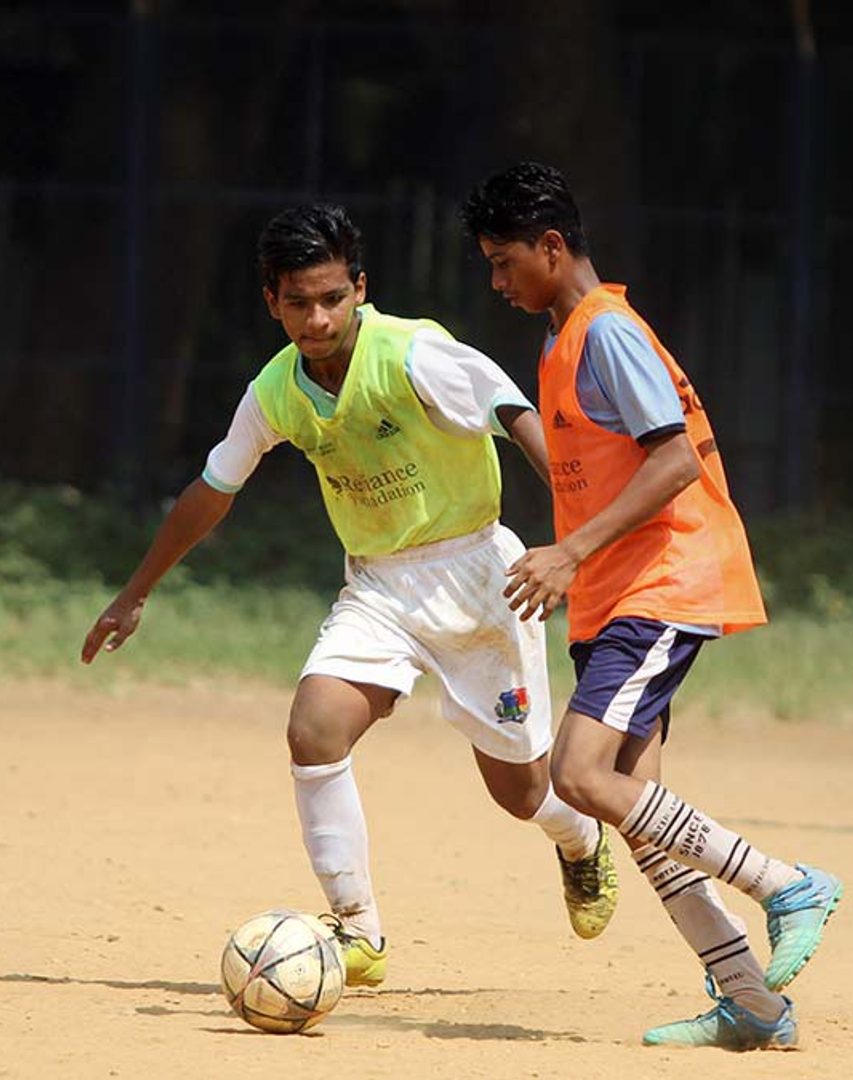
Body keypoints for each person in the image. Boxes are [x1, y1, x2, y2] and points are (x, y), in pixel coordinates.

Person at [80, 203, 617, 987]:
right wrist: (135, 593)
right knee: (314, 728)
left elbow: (516, 414)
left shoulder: (414, 353)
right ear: (272, 302)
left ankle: (578, 841)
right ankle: (359, 931)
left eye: (333, 297)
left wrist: (575, 546)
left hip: (477, 578)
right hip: (377, 584)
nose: (318, 317)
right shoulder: (275, 391)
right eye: (298, 302)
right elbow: (214, 488)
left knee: (521, 791)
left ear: (359, 289)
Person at [462, 162, 843, 1051]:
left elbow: (676, 461)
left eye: (504, 260)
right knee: (639, 808)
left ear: (552, 248)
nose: (497, 280)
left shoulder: (607, 335)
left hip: (659, 580)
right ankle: (751, 1002)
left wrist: (571, 551)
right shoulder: (564, 340)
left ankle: (788, 884)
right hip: (611, 596)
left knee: (581, 778)